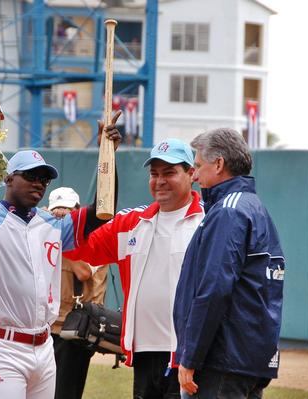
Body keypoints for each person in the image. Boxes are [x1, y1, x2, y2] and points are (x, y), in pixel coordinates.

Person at [0, 117, 121, 399]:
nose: (39, 183)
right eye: (30, 176)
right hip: (0, 348)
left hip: (43, 348)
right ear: (9, 178)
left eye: (43, 178)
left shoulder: (54, 224)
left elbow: (104, 209)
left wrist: (108, 153)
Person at [65, 138, 205, 399]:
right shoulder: (130, 223)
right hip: (144, 352)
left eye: (170, 172)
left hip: (188, 355)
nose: (160, 181)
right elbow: (80, 246)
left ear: (191, 174)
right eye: (154, 174)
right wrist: (51, 222)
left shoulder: (208, 222)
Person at [173, 128, 285, 399]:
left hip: (222, 360)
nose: (195, 174)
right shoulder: (253, 206)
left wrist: (190, 356)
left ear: (219, 164)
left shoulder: (228, 211)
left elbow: (214, 288)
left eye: (198, 165)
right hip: (247, 359)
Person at [47, 187, 108, 399]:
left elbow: (83, 272)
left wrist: (60, 237)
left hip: (77, 329)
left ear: (79, 211)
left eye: (68, 211)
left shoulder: (94, 237)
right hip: (50, 327)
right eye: (57, 211)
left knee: (65, 393)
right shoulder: (46, 235)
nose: (62, 215)